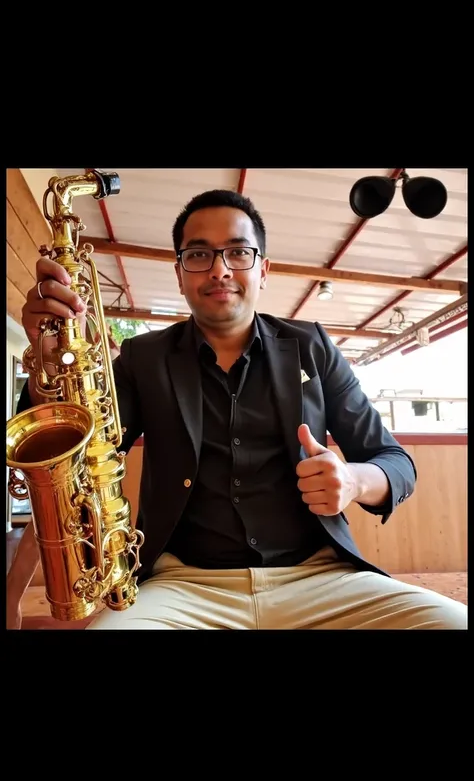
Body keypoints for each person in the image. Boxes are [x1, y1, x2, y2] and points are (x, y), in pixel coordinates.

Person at [9, 189, 467, 630]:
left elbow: (395, 462)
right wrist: (48, 359)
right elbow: (81, 459)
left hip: (322, 577)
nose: (220, 269)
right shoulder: (143, 358)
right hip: (182, 585)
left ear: (262, 269)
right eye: (198, 254)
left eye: (238, 252)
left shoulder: (313, 347)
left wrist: (353, 481)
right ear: (179, 273)